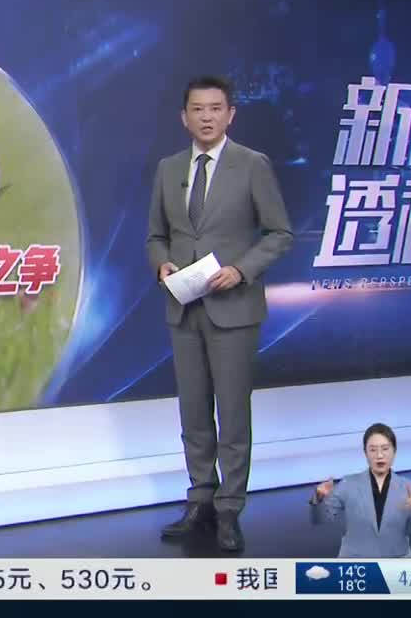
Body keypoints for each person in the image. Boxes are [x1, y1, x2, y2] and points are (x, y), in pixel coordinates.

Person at [147, 75, 294, 552]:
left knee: (232, 413)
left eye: (215, 108)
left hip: (234, 308)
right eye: (197, 109)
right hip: (183, 308)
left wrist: (241, 270)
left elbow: (279, 233)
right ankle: (200, 499)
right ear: (184, 117)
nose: (206, 116)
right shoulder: (169, 169)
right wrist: (161, 263)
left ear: (230, 114)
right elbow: (156, 236)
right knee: (193, 412)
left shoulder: (252, 165)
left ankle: (230, 508)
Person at [310, 424, 411, 558]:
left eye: (385, 449)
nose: (379, 455)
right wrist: (318, 499)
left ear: (394, 451)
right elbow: (321, 520)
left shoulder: (408, 486)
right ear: (365, 453)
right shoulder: (348, 483)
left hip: (396, 562)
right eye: (373, 450)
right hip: (356, 563)